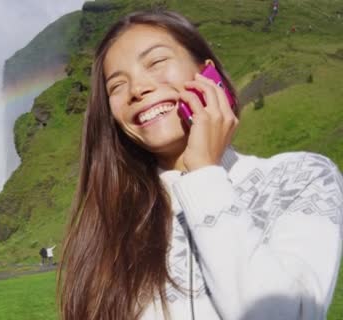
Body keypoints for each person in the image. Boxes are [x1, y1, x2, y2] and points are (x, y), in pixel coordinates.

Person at [58, 10, 343, 320]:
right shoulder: (112, 225)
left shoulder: (300, 178)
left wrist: (205, 174)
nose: (137, 89)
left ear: (207, 73)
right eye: (116, 86)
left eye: (156, 62)